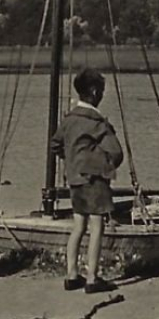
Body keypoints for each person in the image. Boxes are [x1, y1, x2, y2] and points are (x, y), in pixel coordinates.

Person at [49, 68, 124, 294]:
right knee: (97, 226)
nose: (101, 95)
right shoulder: (96, 122)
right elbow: (116, 152)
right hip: (94, 180)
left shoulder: (69, 120)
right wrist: (101, 164)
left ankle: (72, 275)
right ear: (94, 91)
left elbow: (55, 145)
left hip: (75, 179)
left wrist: (73, 160)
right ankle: (92, 277)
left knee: (78, 226)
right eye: (101, 91)